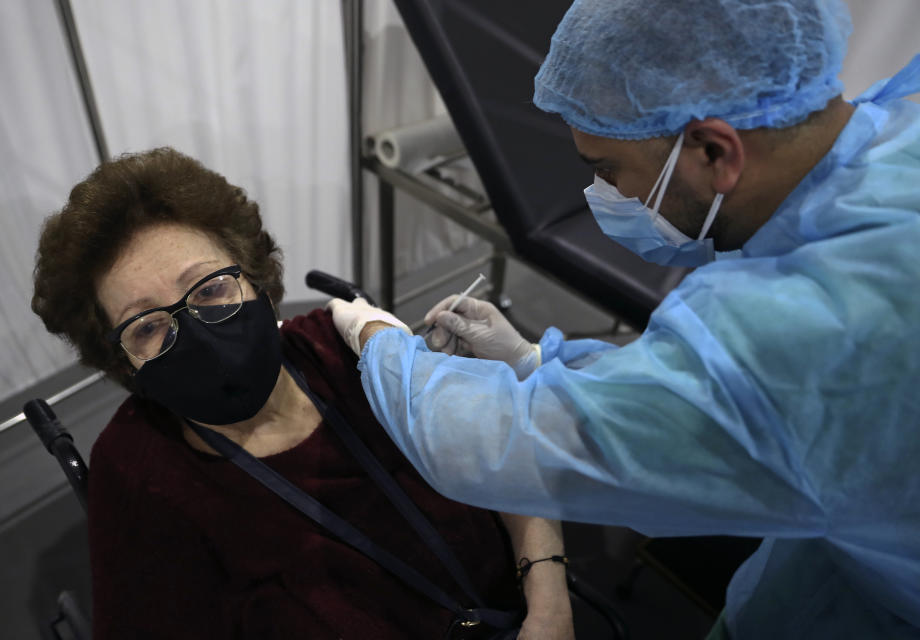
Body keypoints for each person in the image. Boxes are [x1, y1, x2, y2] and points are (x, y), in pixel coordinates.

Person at [327, 1, 920, 638]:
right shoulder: (894, 136)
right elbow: (699, 390)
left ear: (715, 149)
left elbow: (494, 447)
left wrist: (378, 340)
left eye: (608, 171)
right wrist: (533, 363)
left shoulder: (806, 331)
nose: (606, 197)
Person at [30, 147, 575, 639]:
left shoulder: (348, 353)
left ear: (258, 280)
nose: (194, 330)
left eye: (212, 287)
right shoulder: (139, 477)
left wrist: (549, 604)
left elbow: (507, 460)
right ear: (119, 359)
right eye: (146, 325)